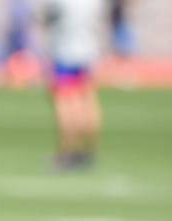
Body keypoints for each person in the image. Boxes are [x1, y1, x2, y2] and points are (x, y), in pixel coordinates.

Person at [43, 0, 104, 170]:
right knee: (88, 101)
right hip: (88, 51)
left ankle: (67, 151)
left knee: (65, 103)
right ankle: (89, 150)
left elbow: (46, 19)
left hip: (65, 53)